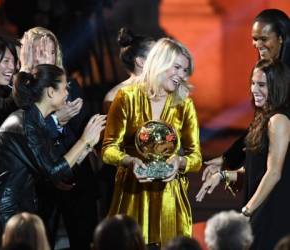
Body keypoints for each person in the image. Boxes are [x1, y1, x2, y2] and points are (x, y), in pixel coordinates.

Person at [102, 38, 202, 246]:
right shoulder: (126, 97)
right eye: (177, 67)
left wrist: (179, 162)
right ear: (160, 62)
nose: (181, 75)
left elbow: (196, 158)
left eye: (185, 70)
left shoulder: (184, 104)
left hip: (170, 199)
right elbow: (108, 149)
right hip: (132, 192)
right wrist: (130, 161)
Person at [0, 64, 106, 227]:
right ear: (51, 92)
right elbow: (53, 170)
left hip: (21, 210)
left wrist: (88, 145)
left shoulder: (34, 120)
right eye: (65, 88)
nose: (68, 94)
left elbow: (56, 168)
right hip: (8, 215)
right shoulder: (25, 124)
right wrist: (84, 141)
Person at [197, 59, 290, 250]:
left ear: (277, 86)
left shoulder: (278, 120)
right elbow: (255, 171)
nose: (254, 89)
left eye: (262, 85)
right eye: (253, 83)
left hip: (271, 210)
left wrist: (246, 213)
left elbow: (273, 173)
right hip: (259, 205)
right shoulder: (262, 119)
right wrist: (221, 175)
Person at [21, 26, 100, 249]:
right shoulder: (18, 90)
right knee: (38, 238)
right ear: (26, 53)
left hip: (74, 172)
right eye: (39, 52)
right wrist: (57, 120)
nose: (46, 58)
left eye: (50, 52)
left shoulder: (70, 87)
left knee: (83, 235)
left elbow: (83, 127)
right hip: (39, 179)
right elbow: (25, 137)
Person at [202, 9, 290, 179]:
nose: (257, 44)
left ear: (281, 38)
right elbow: (258, 125)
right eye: (255, 39)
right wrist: (228, 158)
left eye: (264, 39)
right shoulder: (268, 69)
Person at [99, 27, 155, 217]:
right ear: (140, 61)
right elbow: (110, 146)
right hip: (126, 179)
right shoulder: (115, 96)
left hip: (159, 177)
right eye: (157, 56)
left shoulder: (166, 92)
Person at [0, 35, 19, 153]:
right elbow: (4, 107)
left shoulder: (3, 91)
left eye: (13, 61)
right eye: (6, 61)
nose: (12, 67)